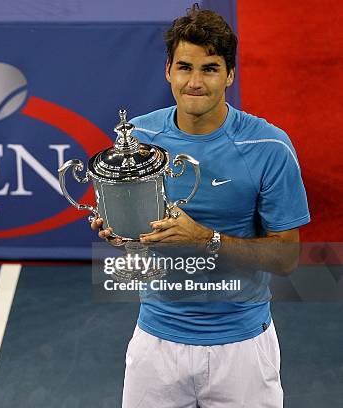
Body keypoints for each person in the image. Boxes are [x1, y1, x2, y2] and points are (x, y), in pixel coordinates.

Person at [91, 5, 310, 408]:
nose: (194, 82)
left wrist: (206, 239)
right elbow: (136, 238)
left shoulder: (269, 147)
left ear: (229, 74)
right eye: (184, 67)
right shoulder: (138, 136)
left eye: (209, 68)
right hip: (156, 344)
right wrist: (122, 235)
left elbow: (286, 257)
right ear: (168, 71)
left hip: (243, 349)